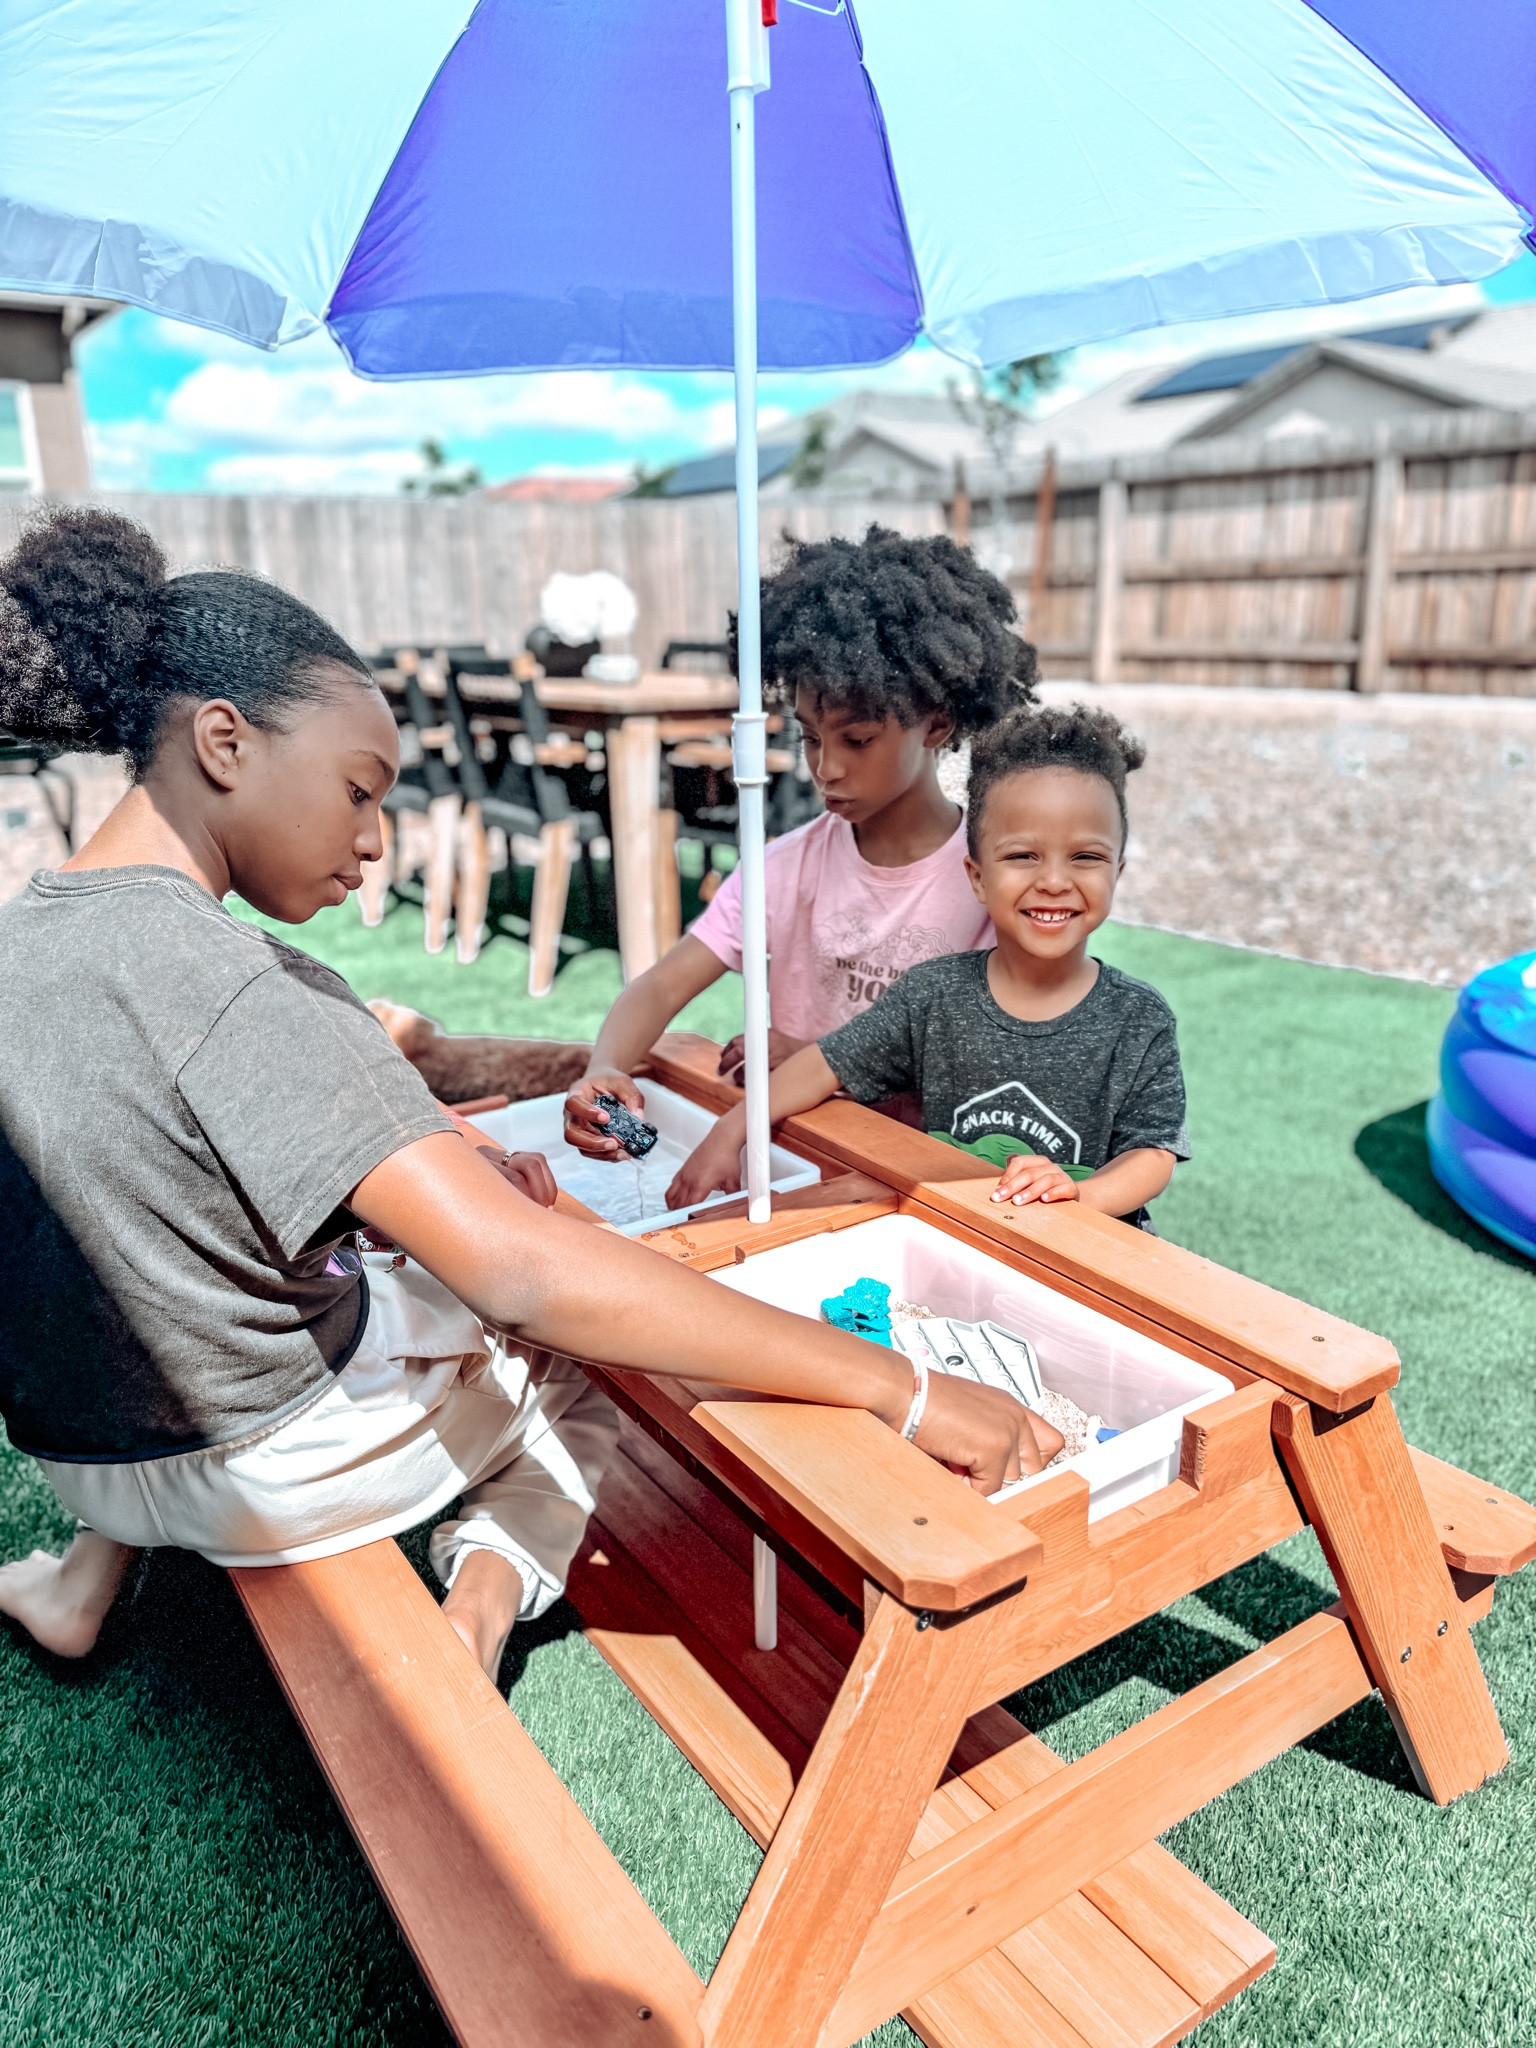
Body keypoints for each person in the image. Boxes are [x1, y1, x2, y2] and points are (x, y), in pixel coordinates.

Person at [0, 509, 1054, 1681]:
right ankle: (483, 1603)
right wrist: (898, 1384)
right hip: (265, 1462)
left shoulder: (25, 940)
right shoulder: (248, 987)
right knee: (595, 1352)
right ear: (224, 742)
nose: (371, 844)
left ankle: (73, 1579)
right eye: (359, 791)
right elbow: (526, 1274)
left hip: (79, 1450)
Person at [563, 527, 1037, 1170]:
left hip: (927, 1181)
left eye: (857, 740)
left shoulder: (992, 883)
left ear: (938, 723)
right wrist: (606, 1066)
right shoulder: (784, 868)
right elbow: (659, 987)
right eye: (811, 737)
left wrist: (820, 1060)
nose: (826, 767)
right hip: (799, 1160)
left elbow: (994, 1073)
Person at [665, 704, 1188, 1230]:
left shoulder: (1138, 1019)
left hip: (1085, 1265)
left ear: (1117, 871)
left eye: (1086, 857)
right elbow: (825, 1062)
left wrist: (1082, 1195)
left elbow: (1153, 1152)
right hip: (957, 1244)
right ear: (977, 876)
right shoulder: (934, 995)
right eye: (1023, 856)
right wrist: (732, 1130)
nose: (1054, 880)